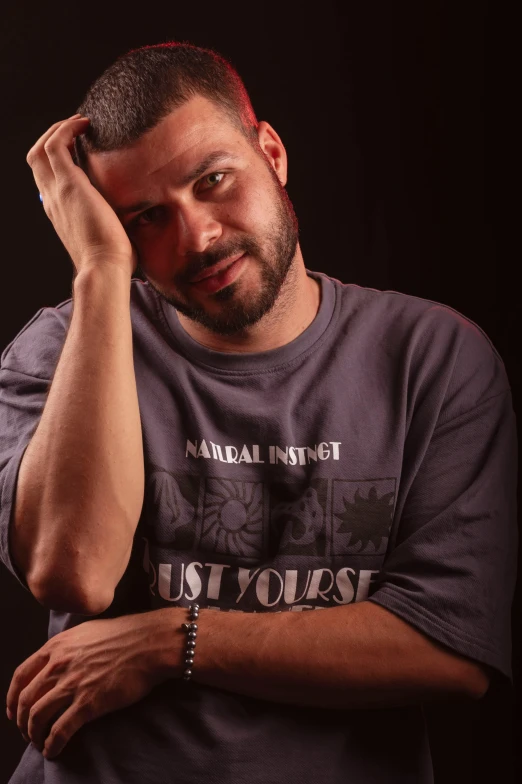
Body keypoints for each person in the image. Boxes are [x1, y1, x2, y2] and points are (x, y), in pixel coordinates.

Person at [0, 42, 517, 784]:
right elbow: (76, 574)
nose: (196, 236)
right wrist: (101, 273)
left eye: (213, 180)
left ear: (270, 152)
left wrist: (170, 641)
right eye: (143, 219)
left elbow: (451, 651)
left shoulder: (434, 356)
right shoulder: (65, 343)